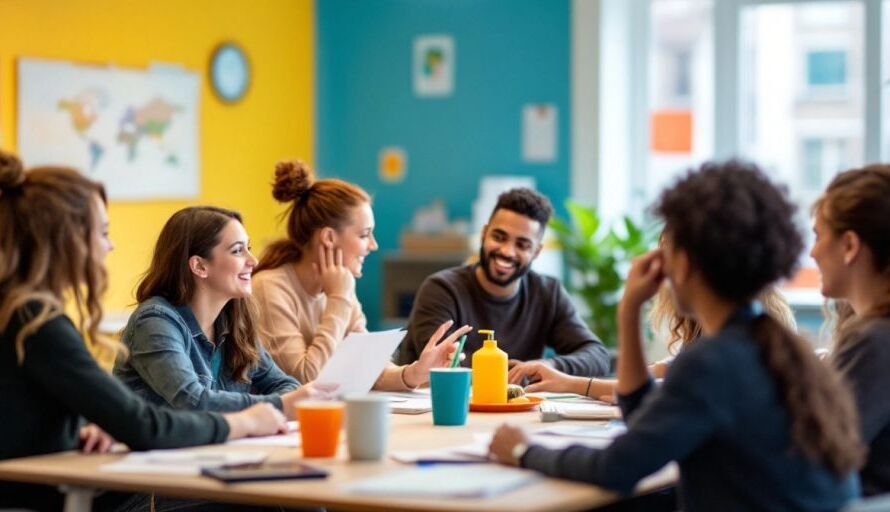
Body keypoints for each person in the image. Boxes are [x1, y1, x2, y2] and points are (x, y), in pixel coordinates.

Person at [489, 160, 864, 511]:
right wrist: (629, 311)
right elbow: (643, 422)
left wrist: (524, 452)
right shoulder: (775, 346)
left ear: (683, 263)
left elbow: (617, 469)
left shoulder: (713, 360)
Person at [0, 152, 285, 511]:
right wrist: (242, 423)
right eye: (102, 233)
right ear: (67, 240)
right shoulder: (37, 323)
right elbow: (143, 425)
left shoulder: (18, 314)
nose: (110, 245)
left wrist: (82, 429)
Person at [252, 160, 471, 390]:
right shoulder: (270, 289)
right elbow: (305, 381)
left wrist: (414, 372)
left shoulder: (341, 287)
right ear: (328, 238)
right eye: (364, 235)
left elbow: (365, 369)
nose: (373, 245)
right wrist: (337, 300)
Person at [114, 206, 329, 418]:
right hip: (149, 452)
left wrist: (284, 401)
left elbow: (284, 384)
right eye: (237, 250)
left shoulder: (234, 322)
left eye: (249, 248)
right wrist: (279, 405)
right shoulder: (154, 322)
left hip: (215, 450)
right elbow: (193, 402)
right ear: (199, 266)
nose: (253, 261)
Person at [397, 187, 610, 380]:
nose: (507, 251)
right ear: (483, 234)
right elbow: (441, 364)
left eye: (522, 244)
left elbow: (598, 357)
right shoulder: (442, 289)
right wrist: (513, 373)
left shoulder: (547, 293)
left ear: (536, 252)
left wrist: (548, 365)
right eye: (499, 237)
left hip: (515, 414)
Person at [513, 285, 796, 401]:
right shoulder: (730, 325)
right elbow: (665, 372)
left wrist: (521, 450)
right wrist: (568, 382)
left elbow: (651, 401)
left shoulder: (734, 345)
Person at [812, 164, 890, 496]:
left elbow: (813, 458)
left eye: (818, 236)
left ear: (849, 246)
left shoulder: (875, 340)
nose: (812, 252)